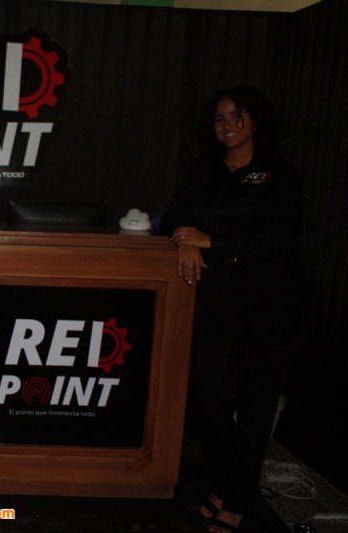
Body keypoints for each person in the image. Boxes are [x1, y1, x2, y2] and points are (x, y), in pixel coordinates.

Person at [161, 86, 307, 532]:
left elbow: (281, 238)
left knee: (257, 406)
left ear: (256, 121)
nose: (228, 125)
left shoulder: (279, 173)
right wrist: (185, 240)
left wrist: (211, 241)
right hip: (218, 298)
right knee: (213, 401)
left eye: (237, 116)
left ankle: (237, 500)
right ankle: (228, 484)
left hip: (271, 301)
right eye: (220, 118)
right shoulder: (200, 171)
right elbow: (173, 219)